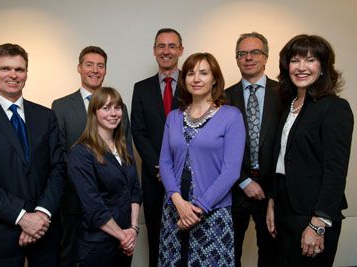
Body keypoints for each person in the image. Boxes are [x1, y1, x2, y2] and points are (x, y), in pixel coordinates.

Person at [0, 43, 66, 267]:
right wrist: (22, 217)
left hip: (45, 234)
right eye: (5, 68)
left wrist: (41, 214)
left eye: (19, 69)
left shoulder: (46, 117)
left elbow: (59, 168)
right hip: (0, 237)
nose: (13, 75)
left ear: (26, 73)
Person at [266, 34, 354, 267]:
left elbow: (336, 170)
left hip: (312, 214)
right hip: (285, 208)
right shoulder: (290, 105)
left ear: (323, 67)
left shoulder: (335, 108)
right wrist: (273, 201)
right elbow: (283, 159)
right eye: (295, 60)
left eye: (311, 60)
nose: (301, 67)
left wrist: (318, 224)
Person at [158, 52, 246, 266]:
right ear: (184, 79)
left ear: (214, 78)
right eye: (190, 73)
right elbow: (165, 163)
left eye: (203, 73)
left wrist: (198, 208)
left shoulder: (231, 116)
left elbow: (231, 171)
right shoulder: (174, 117)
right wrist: (178, 202)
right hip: (174, 210)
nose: (196, 79)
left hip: (212, 210)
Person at [51, 46, 132, 267]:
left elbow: (127, 154)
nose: (95, 70)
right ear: (79, 68)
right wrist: (86, 184)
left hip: (114, 203)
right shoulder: (61, 106)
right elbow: (57, 155)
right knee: (71, 255)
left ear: (105, 70)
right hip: (74, 201)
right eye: (89, 64)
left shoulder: (119, 108)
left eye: (100, 66)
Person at [225, 32, 283, 267]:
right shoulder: (223, 97)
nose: (248, 57)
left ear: (266, 57)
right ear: (237, 59)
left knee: (271, 254)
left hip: (274, 191)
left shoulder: (285, 94)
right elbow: (218, 148)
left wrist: (273, 191)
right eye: (242, 53)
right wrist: (243, 181)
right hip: (235, 188)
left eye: (255, 52)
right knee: (230, 253)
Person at [67, 87, 142, 267]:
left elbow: (135, 191)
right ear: (94, 112)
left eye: (117, 108)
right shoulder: (80, 152)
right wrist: (123, 236)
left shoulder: (124, 148)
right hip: (97, 245)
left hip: (125, 241)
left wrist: (133, 229)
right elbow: (93, 207)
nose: (113, 113)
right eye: (106, 108)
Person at [131, 27, 183, 267]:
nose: (166, 51)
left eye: (172, 46)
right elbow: (138, 132)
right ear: (154, 51)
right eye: (161, 46)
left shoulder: (194, 84)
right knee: (156, 238)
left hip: (188, 177)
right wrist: (160, 168)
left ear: (181, 50)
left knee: (187, 236)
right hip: (154, 179)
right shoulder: (141, 88)